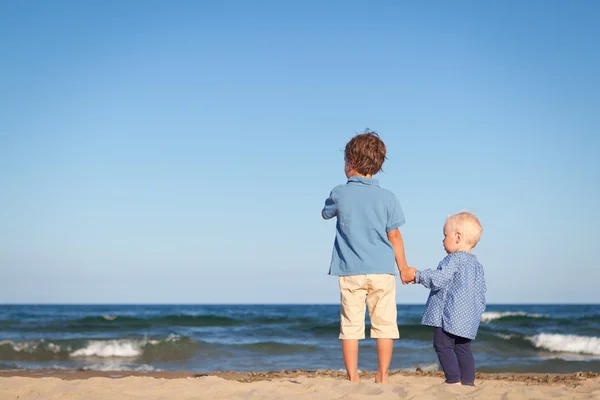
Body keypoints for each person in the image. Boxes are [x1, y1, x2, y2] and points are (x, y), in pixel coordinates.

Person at [322, 129, 415, 384]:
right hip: (383, 271)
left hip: (350, 271)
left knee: (350, 328)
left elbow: (326, 213)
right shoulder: (388, 197)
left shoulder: (340, 192)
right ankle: (382, 376)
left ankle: (353, 378)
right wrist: (404, 268)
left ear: (351, 161)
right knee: (384, 325)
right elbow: (395, 236)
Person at [409, 212, 486, 386]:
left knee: (442, 345)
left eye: (445, 236)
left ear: (458, 237)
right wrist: (475, 314)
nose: (442, 241)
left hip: (448, 316)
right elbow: (481, 294)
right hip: (467, 319)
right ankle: (467, 382)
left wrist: (417, 275)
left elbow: (438, 279)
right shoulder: (477, 265)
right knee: (463, 349)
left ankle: (453, 380)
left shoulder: (453, 259)